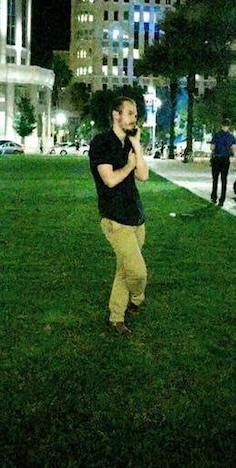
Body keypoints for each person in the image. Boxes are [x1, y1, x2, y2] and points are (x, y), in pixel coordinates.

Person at [88, 97, 150, 335]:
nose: (135, 118)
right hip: (115, 218)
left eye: (135, 114)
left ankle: (116, 317)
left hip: (136, 216)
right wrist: (128, 166)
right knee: (137, 272)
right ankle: (138, 296)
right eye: (131, 113)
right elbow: (110, 180)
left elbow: (143, 176)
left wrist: (137, 147)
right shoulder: (101, 143)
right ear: (116, 115)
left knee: (124, 269)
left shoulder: (130, 144)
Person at [209, 119, 236, 206]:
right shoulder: (231, 137)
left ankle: (214, 197)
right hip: (225, 159)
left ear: (221, 125)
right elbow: (234, 148)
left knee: (215, 179)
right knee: (224, 179)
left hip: (217, 158)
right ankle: (222, 199)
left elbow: (212, 147)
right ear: (229, 126)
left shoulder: (216, 135)